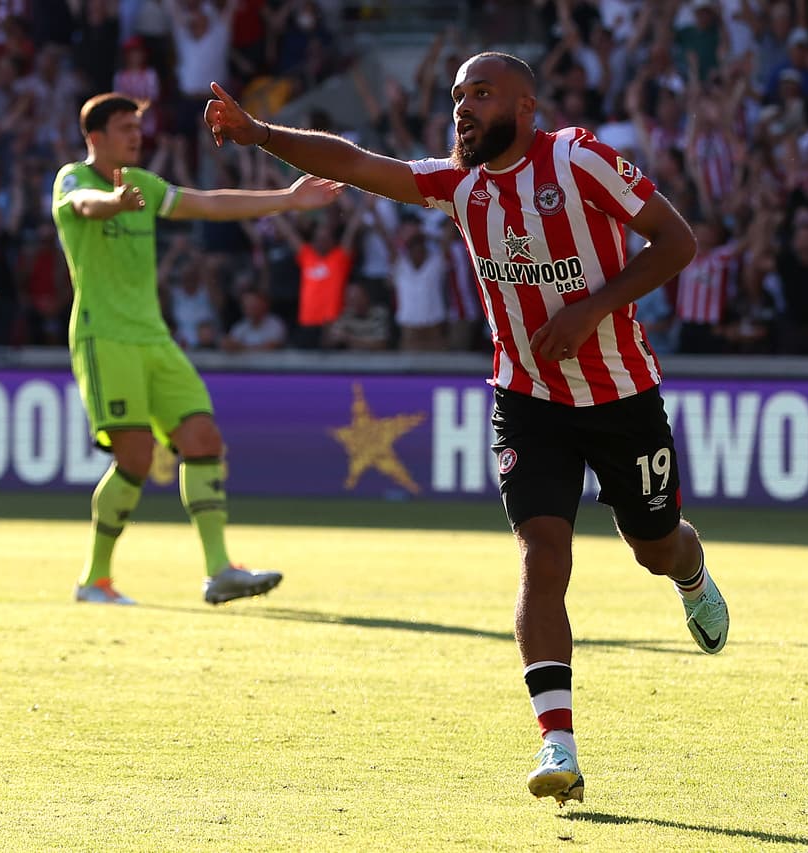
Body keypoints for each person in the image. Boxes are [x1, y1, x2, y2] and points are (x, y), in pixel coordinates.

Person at [206, 52, 729, 806]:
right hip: (527, 398)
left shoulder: (579, 159)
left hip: (621, 395)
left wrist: (590, 309)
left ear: (525, 106)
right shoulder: (460, 184)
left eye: (481, 94)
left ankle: (690, 570)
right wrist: (259, 133)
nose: (463, 108)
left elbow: (676, 242)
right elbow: (355, 164)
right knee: (542, 556)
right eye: (457, 96)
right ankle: (558, 741)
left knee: (653, 546)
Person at [52, 93, 341, 606]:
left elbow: (209, 203)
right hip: (104, 337)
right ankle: (94, 579)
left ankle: (219, 571)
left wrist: (288, 199)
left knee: (203, 438)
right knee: (136, 456)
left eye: (138, 126)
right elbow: (82, 205)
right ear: (95, 137)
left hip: (154, 337)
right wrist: (114, 204)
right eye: (125, 128)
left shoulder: (143, 184)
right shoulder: (73, 178)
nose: (136, 136)